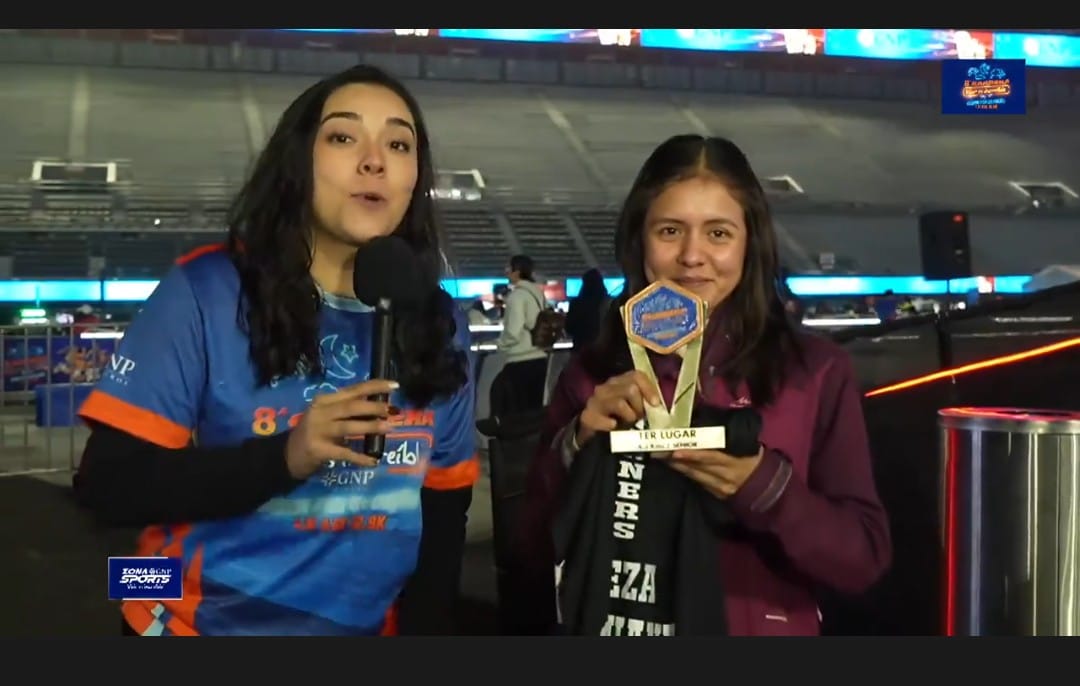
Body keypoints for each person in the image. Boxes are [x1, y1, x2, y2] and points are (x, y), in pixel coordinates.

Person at [74, 64, 479, 636]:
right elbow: (107, 485)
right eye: (343, 137)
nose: (375, 161)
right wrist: (284, 457)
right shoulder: (205, 291)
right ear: (298, 161)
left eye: (398, 144)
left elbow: (444, 508)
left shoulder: (439, 319)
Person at [517, 134, 891, 636]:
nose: (692, 256)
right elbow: (532, 550)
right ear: (639, 241)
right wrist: (576, 447)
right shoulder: (593, 374)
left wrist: (765, 487)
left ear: (750, 243)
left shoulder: (816, 371)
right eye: (670, 230)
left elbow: (862, 559)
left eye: (718, 233)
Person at [490, 254, 548, 415]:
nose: (506, 271)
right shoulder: (538, 294)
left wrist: (499, 344)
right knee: (534, 412)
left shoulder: (516, 296)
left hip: (520, 361)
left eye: (508, 268)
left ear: (517, 272)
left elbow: (513, 332)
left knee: (517, 414)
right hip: (540, 358)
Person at [564, 267, 611, 349]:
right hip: (605, 348)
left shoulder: (577, 303)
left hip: (581, 348)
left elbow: (569, 328)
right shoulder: (609, 303)